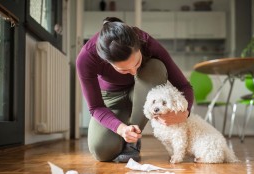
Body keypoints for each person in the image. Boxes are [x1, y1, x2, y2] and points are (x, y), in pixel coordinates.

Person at [76, 17, 193, 163]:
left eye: (137, 63)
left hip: (144, 90)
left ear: (139, 46)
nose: (133, 72)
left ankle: (133, 141)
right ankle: (126, 134)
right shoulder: (86, 58)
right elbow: (96, 107)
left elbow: (184, 86)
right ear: (106, 61)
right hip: (111, 98)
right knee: (102, 151)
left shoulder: (146, 41)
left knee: (156, 67)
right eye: (123, 70)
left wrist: (185, 113)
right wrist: (121, 129)